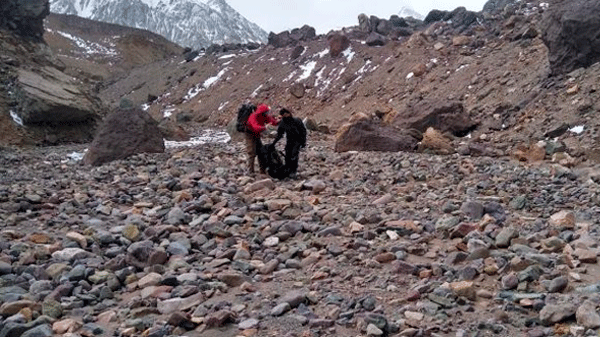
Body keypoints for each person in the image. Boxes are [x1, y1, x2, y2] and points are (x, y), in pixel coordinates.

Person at [271, 108, 307, 178]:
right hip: (289, 140)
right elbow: (280, 134)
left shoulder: (296, 120)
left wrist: (303, 142)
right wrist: (274, 143)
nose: (284, 116)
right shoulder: (283, 122)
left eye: (284, 114)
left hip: (297, 140)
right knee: (287, 155)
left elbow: (303, 132)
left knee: (294, 155)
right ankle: (288, 169)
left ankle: (293, 171)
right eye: (282, 115)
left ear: (288, 113)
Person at [245, 103, 279, 174]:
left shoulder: (264, 116)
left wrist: (278, 121)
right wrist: (264, 127)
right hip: (250, 134)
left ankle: (262, 170)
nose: (267, 113)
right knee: (251, 152)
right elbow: (255, 127)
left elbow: (272, 121)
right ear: (262, 112)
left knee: (261, 152)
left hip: (257, 134)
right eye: (266, 112)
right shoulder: (253, 116)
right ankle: (250, 171)